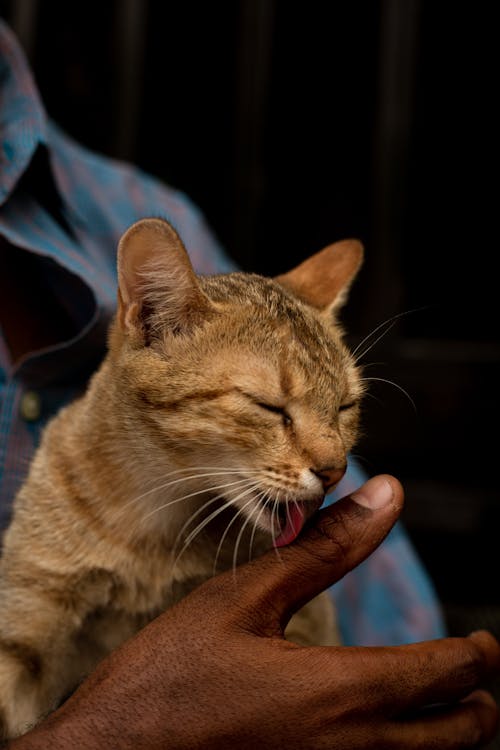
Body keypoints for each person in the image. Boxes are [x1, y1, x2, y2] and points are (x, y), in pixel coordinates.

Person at [1, 19, 499, 749]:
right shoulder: (89, 460)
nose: (330, 463)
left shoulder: (133, 199)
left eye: (345, 410)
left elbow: (386, 640)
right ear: (151, 328)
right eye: (272, 408)